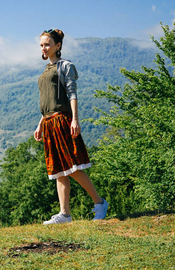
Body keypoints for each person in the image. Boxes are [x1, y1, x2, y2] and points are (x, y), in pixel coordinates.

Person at [34, 28, 108, 225]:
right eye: (41, 45)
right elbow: (47, 101)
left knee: (73, 167)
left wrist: (75, 119)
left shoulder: (66, 66)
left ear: (58, 46)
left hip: (62, 121)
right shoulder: (46, 70)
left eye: (47, 44)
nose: (44, 48)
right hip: (48, 123)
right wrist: (40, 124)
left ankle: (99, 203)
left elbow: (72, 95)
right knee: (58, 170)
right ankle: (65, 214)